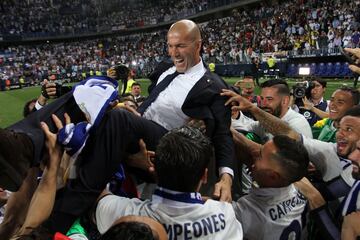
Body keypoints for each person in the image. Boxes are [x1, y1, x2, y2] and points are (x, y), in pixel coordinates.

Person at [1, 19, 234, 233]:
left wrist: (226, 176)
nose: (174, 53)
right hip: (140, 129)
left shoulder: (213, 86)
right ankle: (24, 144)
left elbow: (223, 135)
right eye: (170, 46)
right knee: (91, 94)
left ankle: (54, 222)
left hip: (169, 147)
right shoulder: (166, 68)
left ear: (198, 45)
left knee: (118, 119)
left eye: (180, 46)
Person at [95, 126, 243, 239]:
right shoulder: (225, 213)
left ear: (154, 170)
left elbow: (95, 193)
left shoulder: (128, 214)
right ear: (204, 176)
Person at [232, 135, 309, 240]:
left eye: (259, 156)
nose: (254, 154)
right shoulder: (302, 188)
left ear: (273, 176)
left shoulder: (249, 210)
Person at [232, 79, 312, 143]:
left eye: (269, 99)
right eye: (262, 99)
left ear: (285, 101)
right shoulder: (266, 121)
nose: (263, 104)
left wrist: (252, 108)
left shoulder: (297, 123)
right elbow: (243, 126)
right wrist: (234, 112)